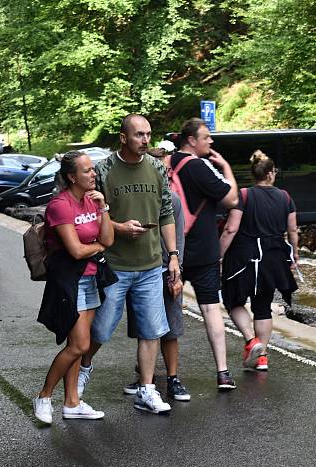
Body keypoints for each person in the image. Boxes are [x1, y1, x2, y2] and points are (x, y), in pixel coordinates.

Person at [77, 114, 180, 415]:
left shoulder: (158, 168)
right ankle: (83, 371)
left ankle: (146, 389)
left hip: (150, 265)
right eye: (138, 135)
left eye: (148, 134)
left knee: (151, 330)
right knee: (101, 329)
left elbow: (166, 215)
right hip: (115, 265)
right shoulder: (104, 170)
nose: (145, 140)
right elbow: (91, 215)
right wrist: (120, 228)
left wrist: (172, 256)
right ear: (123, 138)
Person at [33, 151, 116, 424]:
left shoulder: (92, 201)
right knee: (80, 345)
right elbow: (76, 250)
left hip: (92, 277)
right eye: (87, 171)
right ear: (71, 176)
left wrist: (103, 207)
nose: (94, 174)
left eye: (93, 170)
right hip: (69, 280)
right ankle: (44, 396)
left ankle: (72, 403)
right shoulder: (61, 205)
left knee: (77, 344)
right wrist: (98, 247)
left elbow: (108, 238)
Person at [171, 118, 240, 389]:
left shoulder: (167, 162)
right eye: (206, 137)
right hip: (203, 251)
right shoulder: (199, 166)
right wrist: (226, 167)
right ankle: (222, 372)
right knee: (211, 308)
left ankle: (151, 375)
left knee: (167, 310)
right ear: (192, 140)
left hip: (172, 248)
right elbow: (232, 199)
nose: (211, 142)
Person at [122, 141, 191, 402]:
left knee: (172, 329)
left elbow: (180, 241)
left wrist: (177, 272)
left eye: (166, 171)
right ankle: (143, 377)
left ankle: (173, 378)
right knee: (144, 328)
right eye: (160, 170)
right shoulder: (136, 198)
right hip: (139, 269)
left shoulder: (172, 200)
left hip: (166, 269)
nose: (166, 175)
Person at [219, 150, 299, 371]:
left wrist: (218, 256)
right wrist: (295, 254)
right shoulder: (285, 196)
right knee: (262, 306)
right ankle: (262, 356)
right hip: (273, 257)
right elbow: (292, 229)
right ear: (271, 173)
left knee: (233, 300)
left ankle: (251, 341)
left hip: (244, 256)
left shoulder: (244, 195)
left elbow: (231, 228)